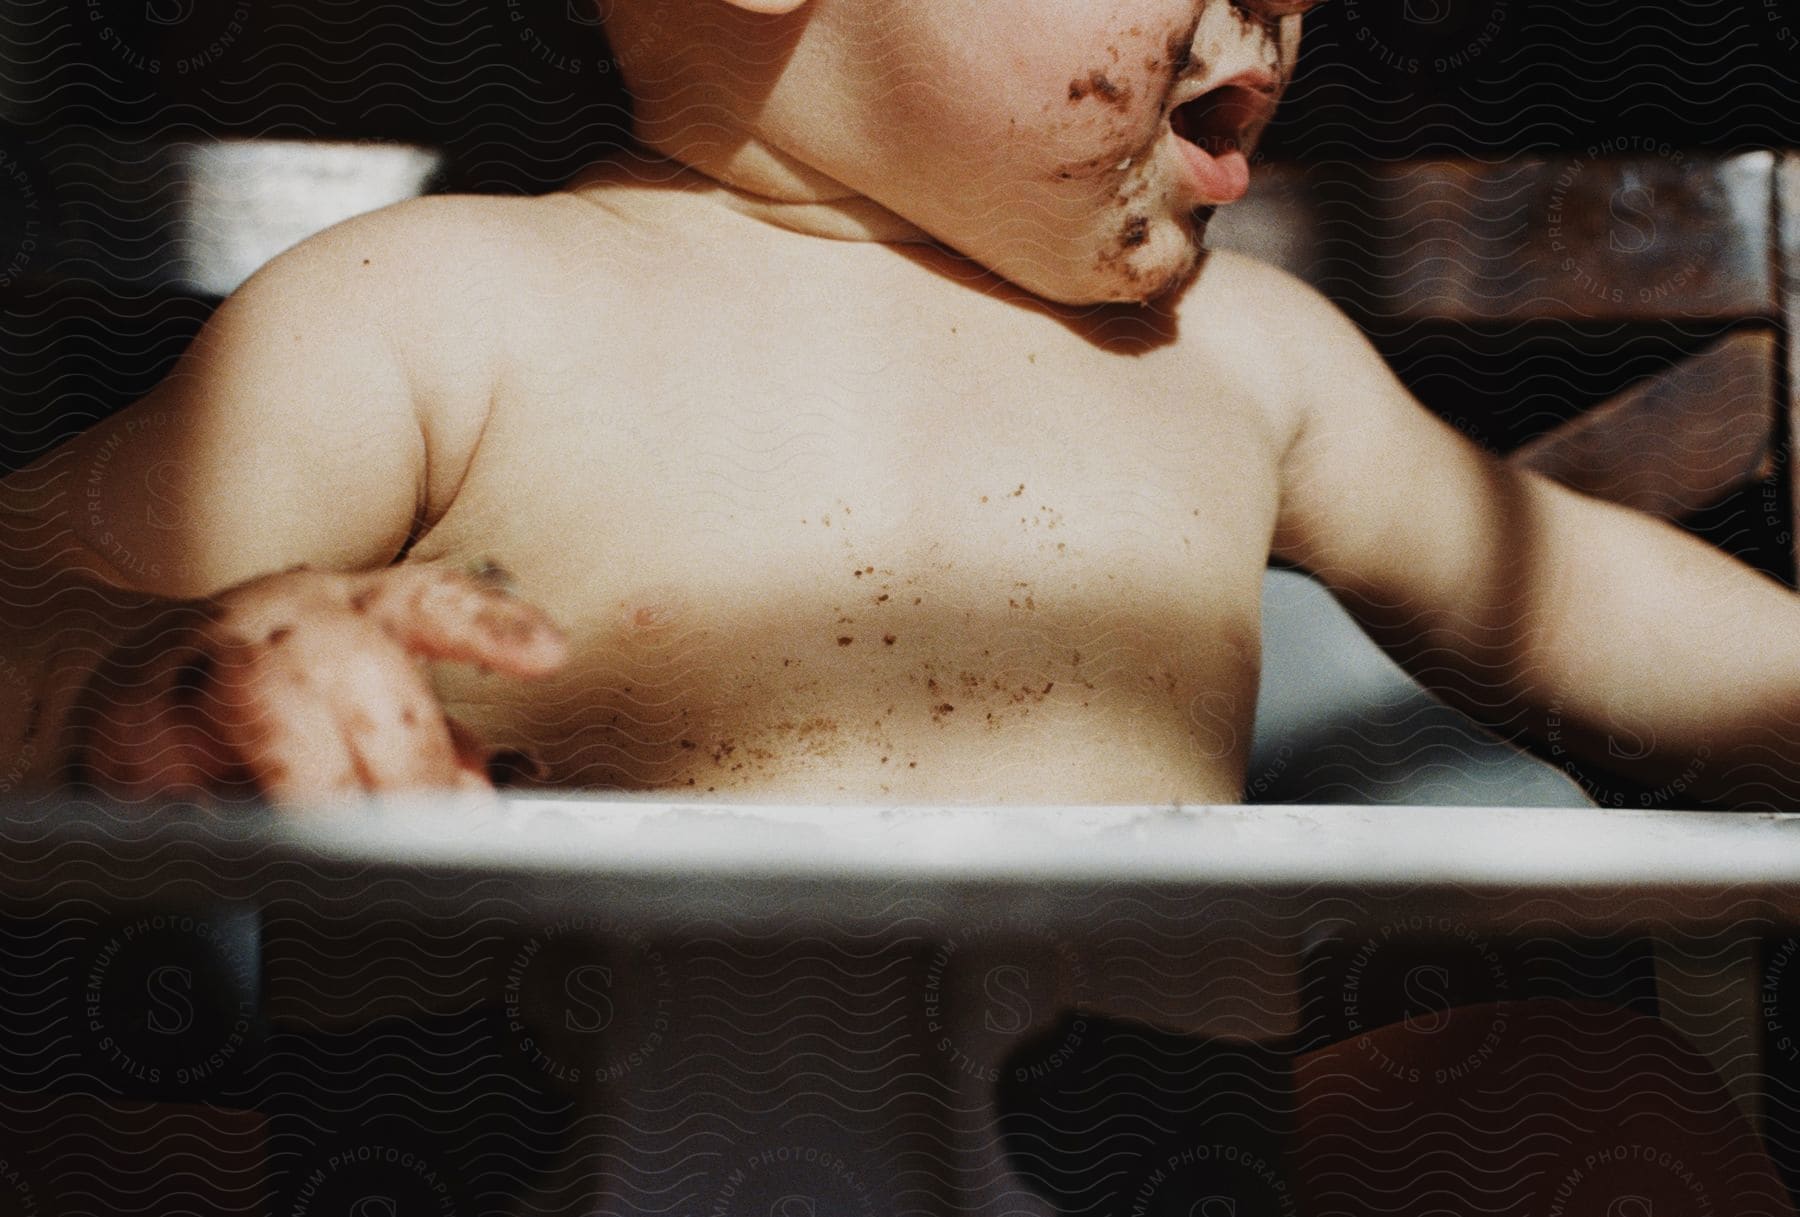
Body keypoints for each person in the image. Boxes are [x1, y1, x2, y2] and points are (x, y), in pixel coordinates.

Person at [2, 0, 1796, 809]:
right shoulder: (438, 311)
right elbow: (32, 588)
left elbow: (1600, 610)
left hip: (1133, 1143)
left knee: (1585, 1087)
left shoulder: (1249, 358)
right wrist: (145, 693)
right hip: (582, 1150)